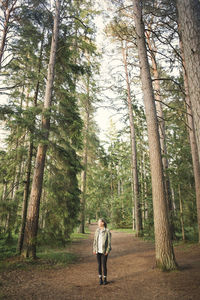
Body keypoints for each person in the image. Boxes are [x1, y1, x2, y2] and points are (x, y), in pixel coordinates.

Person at [93, 218, 112, 285]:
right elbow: (95, 241)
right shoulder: (97, 231)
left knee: (104, 265)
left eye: (99, 222)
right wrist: (94, 249)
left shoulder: (107, 231)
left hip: (104, 251)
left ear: (103, 223)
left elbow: (109, 243)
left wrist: (107, 250)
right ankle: (100, 279)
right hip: (98, 250)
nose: (98, 223)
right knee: (99, 265)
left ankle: (105, 279)